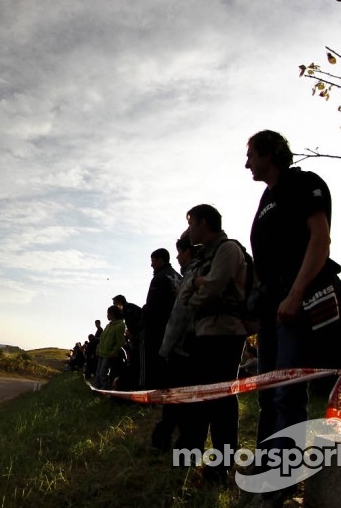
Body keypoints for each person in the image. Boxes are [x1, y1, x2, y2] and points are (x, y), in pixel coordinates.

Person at [245, 130, 341, 494]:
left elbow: (320, 240)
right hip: (272, 308)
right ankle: (267, 466)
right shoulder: (265, 198)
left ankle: (282, 480)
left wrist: (295, 294)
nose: (247, 164)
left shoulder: (303, 183)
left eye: (251, 155)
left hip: (298, 302)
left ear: (269, 154)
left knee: (288, 394)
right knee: (267, 391)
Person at [180, 204, 249, 484]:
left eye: (191, 223)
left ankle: (221, 466)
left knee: (221, 399)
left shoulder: (228, 250)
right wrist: (197, 287)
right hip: (203, 334)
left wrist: (198, 290)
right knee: (200, 398)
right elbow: (186, 293)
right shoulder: (204, 257)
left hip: (225, 333)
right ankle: (192, 457)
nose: (188, 229)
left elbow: (211, 289)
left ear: (205, 223)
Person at [152, 233, 199, 452]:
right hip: (191, 344)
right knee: (181, 398)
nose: (177, 257)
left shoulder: (190, 275)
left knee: (176, 398)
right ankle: (172, 440)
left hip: (181, 346)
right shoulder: (181, 276)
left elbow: (179, 315)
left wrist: (164, 350)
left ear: (188, 252)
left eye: (180, 252)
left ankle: (173, 443)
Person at [141, 248, 180, 389]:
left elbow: (151, 306)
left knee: (153, 362)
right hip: (174, 327)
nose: (152, 265)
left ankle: (152, 394)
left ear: (160, 260)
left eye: (153, 261)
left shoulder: (159, 278)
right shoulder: (178, 277)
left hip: (156, 327)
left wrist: (144, 321)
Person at [112, 294, 142, 388]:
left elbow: (133, 323)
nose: (114, 306)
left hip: (139, 338)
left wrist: (132, 335)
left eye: (114, 304)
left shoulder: (127, 309)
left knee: (135, 360)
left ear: (119, 302)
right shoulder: (131, 307)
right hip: (140, 336)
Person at [95, 305, 127, 390]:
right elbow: (102, 339)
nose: (107, 315)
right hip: (102, 353)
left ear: (112, 314)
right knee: (98, 373)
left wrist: (114, 352)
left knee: (103, 374)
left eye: (108, 313)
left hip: (108, 354)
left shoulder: (120, 326)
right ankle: (97, 389)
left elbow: (120, 342)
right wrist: (98, 349)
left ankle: (105, 389)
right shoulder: (108, 326)